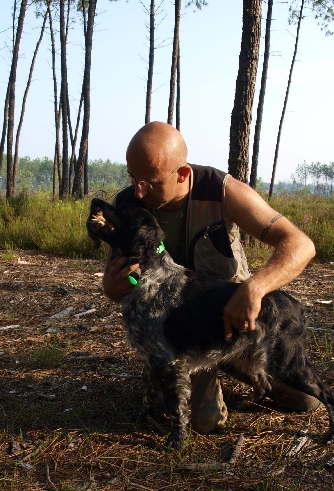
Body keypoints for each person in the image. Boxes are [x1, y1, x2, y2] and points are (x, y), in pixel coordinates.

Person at [102, 121, 321, 434]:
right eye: (132, 177)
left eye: (149, 182)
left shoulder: (222, 191)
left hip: (237, 321)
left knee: (305, 401)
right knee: (204, 422)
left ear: (182, 174)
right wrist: (113, 286)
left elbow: (300, 245)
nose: (138, 190)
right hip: (182, 334)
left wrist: (255, 289)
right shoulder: (128, 207)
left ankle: (234, 366)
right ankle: (204, 379)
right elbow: (112, 286)